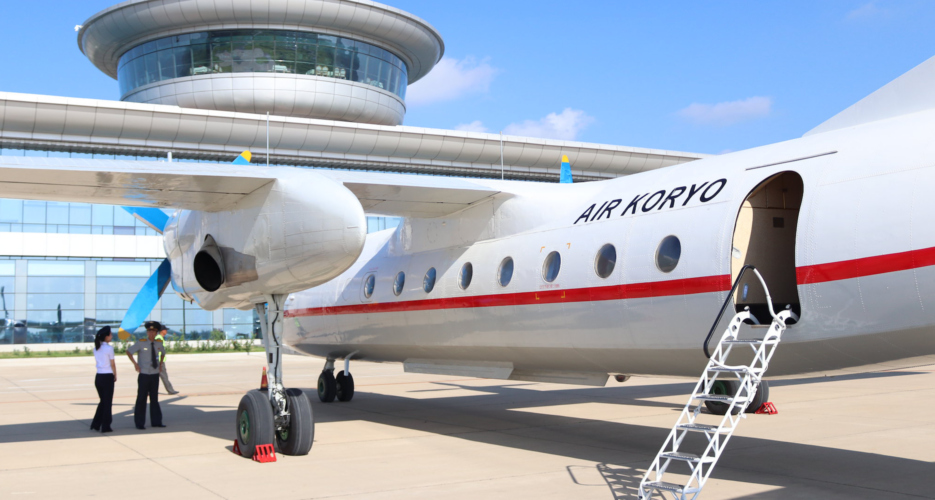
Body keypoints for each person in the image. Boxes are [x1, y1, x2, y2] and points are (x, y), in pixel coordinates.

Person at [126, 321, 166, 430]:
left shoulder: (159, 343)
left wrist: (161, 365)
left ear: (157, 332)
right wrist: (135, 364)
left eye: (153, 331)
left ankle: (156, 421)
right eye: (149, 331)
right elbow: (129, 351)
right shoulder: (141, 343)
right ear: (147, 332)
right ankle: (139, 423)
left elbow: (163, 353)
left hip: (154, 374)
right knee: (141, 398)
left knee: (154, 398)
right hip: (144, 374)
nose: (151, 333)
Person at [90, 326, 116, 433]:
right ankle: (106, 426)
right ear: (106, 336)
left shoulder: (96, 348)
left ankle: (96, 424)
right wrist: (115, 375)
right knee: (107, 403)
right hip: (107, 376)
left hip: (98, 377)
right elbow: (112, 364)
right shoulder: (109, 348)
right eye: (110, 334)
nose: (112, 336)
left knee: (103, 402)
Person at [154, 322, 179, 395]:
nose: (166, 331)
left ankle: (149, 391)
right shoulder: (159, 338)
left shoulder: (160, 337)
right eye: (165, 330)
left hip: (157, 360)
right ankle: (170, 390)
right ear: (162, 331)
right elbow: (157, 350)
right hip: (159, 361)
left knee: (154, 377)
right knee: (164, 376)